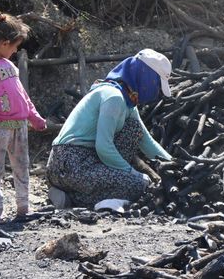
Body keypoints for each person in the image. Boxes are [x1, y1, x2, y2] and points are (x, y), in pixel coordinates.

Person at [46, 49, 173, 209]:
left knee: (133, 128)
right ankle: (73, 197)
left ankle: (68, 195)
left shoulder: (128, 101)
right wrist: (133, 173)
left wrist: (174, 165)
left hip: (82, 163)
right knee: (140, 187)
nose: (157, 91)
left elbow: (146, 141)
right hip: (69, 164)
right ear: (146, 76)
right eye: (157, 84)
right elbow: (103, 147)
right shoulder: (113, 97)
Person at [0, 10, 47, 223]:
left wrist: (34, 116)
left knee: (22, 166)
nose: (15, 51)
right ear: (5, 43)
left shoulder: (9, 65)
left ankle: (23, 207)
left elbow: (22, 95)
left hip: (20, 125)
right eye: (15, 46)